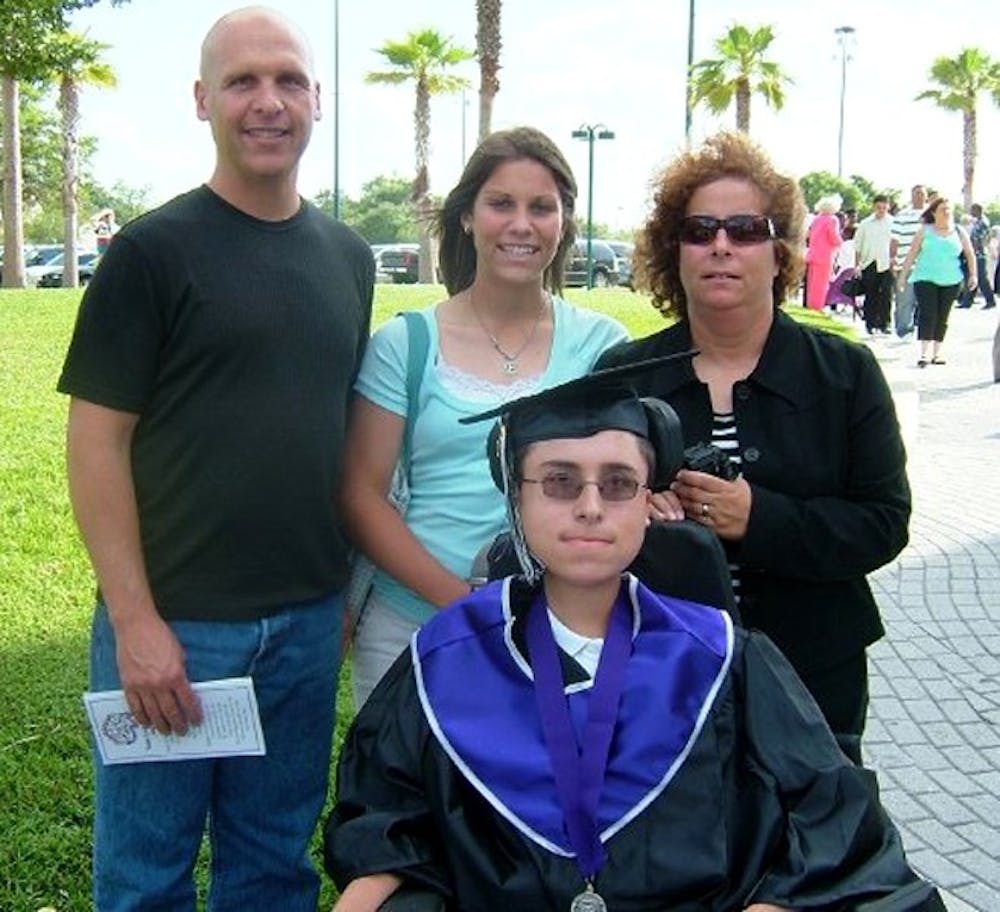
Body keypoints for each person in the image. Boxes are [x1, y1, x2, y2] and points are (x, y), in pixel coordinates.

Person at [324, 364, 944, 912]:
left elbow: (836, 819)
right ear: (516, 500)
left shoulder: (722, 658)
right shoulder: (449, 657)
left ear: (647, 501)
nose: (591, 506)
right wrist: (369, 890)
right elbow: (384, 814)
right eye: (560, 482)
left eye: (618, 483)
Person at [57, 7, 374, 909]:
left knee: (274, 866)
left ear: (319, 98)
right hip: (175, 629)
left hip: (306, 627)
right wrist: (136, 626)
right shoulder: (152, 254)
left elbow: (333, 435)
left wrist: (340, 598)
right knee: (146, 874)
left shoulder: (348, 258)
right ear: (203, 101)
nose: (267, 102)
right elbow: (96, 444)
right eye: (242, 82)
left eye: (287, 80)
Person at [593, 132, 911, 763]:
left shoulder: (844, 374)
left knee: (812, 849)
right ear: (672, 251)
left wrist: (756, 518)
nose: (720, 246)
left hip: (813, 673)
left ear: (779, 251)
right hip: (656, 676)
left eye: (744, 229)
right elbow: (580, 515)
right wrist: (634, 514)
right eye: (699, 229)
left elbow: (883, 523)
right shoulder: (624, 376)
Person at [343, 126, 627, 709]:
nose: (521, 224)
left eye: (541, 207)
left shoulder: (603, 347)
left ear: (563, 222)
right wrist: (466, 609)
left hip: (562, 632)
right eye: (501, 204)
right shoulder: (406, 343)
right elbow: (361, 496)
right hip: (412, 624)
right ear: (468, 216)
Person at [897, 197, 976, 367]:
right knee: (928, 313)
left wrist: (973, 275)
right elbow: (912, 254)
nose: (946, 213)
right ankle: (924, 353)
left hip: (951, 279)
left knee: (943, 316)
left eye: (949, 209)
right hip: (925, 278)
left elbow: (970, 254)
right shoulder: (924, 231)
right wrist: (902, 276)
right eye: (942, 209)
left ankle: (937, 352)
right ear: (934, 212)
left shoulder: (959, 231)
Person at [890, 184, 928, 338]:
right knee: (905, 299)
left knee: (926, 301)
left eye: (921, 193)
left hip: (928, 264)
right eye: (916, 193)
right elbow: (894, 239)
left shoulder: (932, 215)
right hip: (905, 263)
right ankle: (903, 329)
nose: (919, 196)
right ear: (911, 196)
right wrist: (892, 257)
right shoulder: (902, 216)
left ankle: (924, 331)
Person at [854, 193, 894, 334]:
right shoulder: (865, 224)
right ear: (874, 207)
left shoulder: (893, 223)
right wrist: (857, 265)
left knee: (886, 295)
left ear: (887, 207)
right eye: (878, 207)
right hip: (869, 262)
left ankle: (884, 324)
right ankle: (870, 323)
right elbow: (858, 245)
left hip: (886, 262)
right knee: (871, 294)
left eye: (884, 207)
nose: (881, 210)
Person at [803, 194, 841, 310]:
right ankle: (817, 306)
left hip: (812, 254)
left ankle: (810, 304)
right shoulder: (832, 220)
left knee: (811, 282)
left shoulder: (816, 219)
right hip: (824, 256)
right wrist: (840, 242)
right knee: (821, 283)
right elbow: (833, 237)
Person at [956, 203, 996, 309]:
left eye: (972, 210)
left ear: (977, 210)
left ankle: (990, 300)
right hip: (975, 253)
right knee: (971, 277)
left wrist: (970, 250)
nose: (971, 212)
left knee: (982, 278)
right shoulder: (978, 221)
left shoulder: (983, 222)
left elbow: (979, 239)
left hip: (979, 253)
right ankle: (967, 301)